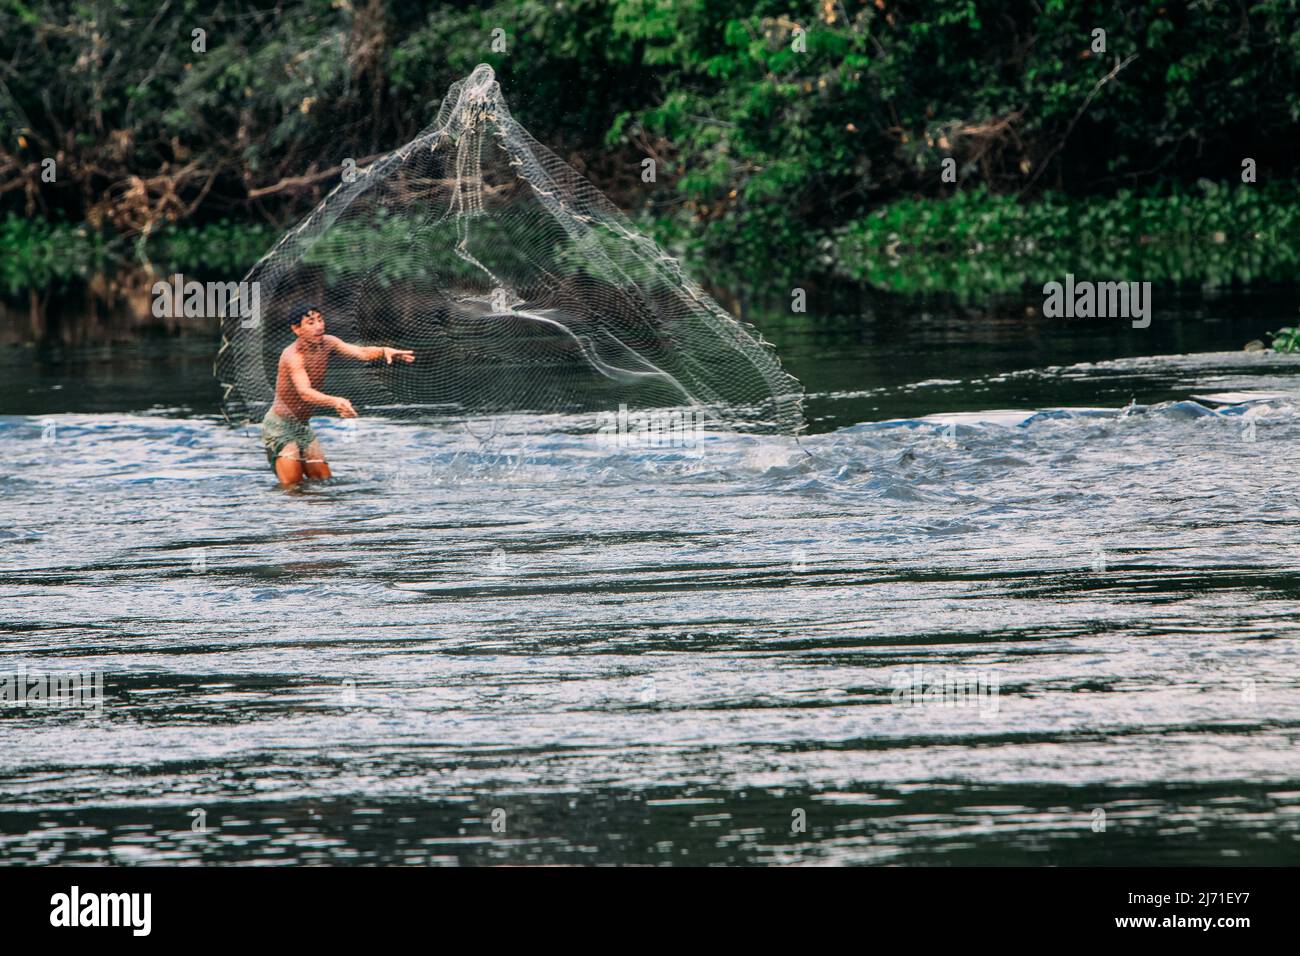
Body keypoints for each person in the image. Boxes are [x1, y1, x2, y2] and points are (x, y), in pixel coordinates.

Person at [261, 303, 414, 487]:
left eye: (320, 320)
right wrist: (335, 401)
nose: (319, 326)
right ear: (296, 329)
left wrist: (383, 351)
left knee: (323, 481)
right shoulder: (292, 356)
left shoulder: (329, 342)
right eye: (310, 322)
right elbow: (305, 392)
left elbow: (361, 352)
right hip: (280, 427)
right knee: (292, 487)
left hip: (302, 426)